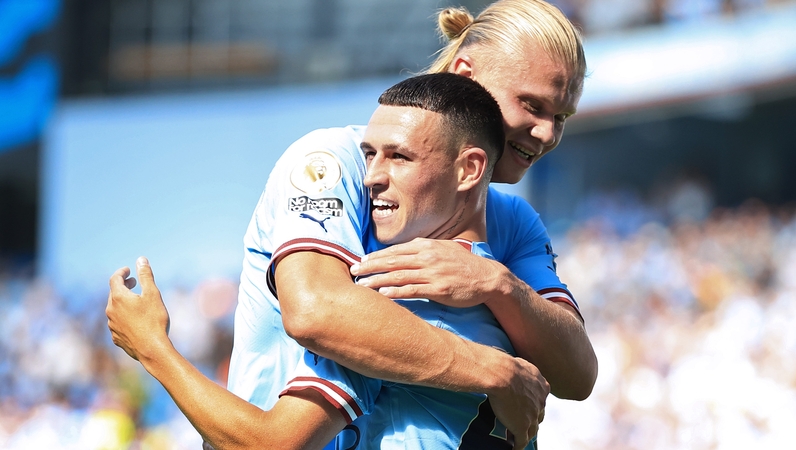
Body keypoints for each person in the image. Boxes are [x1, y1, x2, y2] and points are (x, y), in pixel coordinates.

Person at [111, 0, 596, 445]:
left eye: (562, 116)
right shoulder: (333, 162)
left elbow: (577, 375)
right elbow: (318, 312)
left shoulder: (510, 223)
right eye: (532, 105)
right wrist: (494, 370)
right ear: (466, 74)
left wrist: (497, 285)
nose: (547, 133)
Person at [283, 72, 538, 449]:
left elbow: (267, 442)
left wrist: (178, 363)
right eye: (369, 155)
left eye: (399, 157)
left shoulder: (400, 301)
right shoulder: (515, 313)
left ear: (469, 169)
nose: (370, 177)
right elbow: (577, 377)